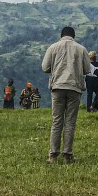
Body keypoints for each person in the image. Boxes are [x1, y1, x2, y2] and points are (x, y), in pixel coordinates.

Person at [41, 26, 91, 164]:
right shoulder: (81, 49)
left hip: (57, 87)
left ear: (61, 35)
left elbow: (45, 67)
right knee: (70, 122)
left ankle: (53, 156)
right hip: (74, 87)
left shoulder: (53, 47)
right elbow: (87, 69)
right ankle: (68, 155)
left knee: (56, 121)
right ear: (73, 36)